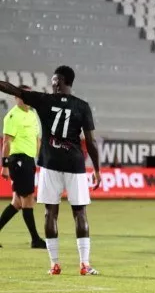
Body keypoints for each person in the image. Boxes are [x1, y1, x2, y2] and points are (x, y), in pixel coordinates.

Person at [0, 67, 101, 275]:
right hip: (74, 164)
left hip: (50, 163)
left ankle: (55, 264)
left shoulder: (43, 100)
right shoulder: (82, 106)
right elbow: (90, 142)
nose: (53, 83)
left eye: (55, 80)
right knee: (79, 212)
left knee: (50, 212)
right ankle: (84, 264)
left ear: (63, 81)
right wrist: (97, 170)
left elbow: (12, 89)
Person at [0, 85, 47, 248]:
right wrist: (5, 166)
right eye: (23, 95)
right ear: (16, 97)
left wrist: (40, 159)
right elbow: (6, 142)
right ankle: (35, 239)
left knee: (17, 203)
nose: (26, 98)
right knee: (28, 200)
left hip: (29, 161)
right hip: (18, 161)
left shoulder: (33, 115)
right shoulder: (12, 116)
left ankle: (35, 239)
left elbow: (37, 139)